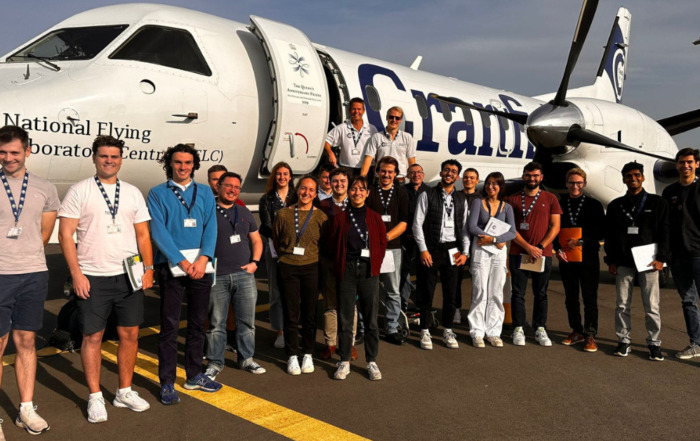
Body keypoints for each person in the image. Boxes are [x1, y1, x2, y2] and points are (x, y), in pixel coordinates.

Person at [58, 135, 154, 422]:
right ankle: (95, 396)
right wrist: (76, 274)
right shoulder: (80, 191)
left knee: (130, 334)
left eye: (114, 156)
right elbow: (65, 235)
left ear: (120, 159)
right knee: (92, 337)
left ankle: (124, 390)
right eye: (103, 156)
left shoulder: (133, 192)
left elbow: (143, 235)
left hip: (128, 276)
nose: (109, 160)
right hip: (93, 277)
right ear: (94, 158)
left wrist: (148, 269)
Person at [147, 144, 221, 405]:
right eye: (178, 162)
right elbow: (158, 232)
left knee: (197, 325)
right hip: (173, 268)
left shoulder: (205, 193)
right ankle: (167, 381)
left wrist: (203, 258)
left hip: (201, 267)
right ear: (170, 164)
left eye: (188, 163)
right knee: (169, 327)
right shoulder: (157, 193)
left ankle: (194, 375)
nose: (183, 167)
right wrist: (180, 260)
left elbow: (211, 226)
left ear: (194, 164)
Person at [0, 125, 58, 436]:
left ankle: (26, 408)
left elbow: (46, 234)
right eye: (3, 152)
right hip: (0, 275)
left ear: (28, 151)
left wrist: (25, 252)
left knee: (26, 342)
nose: (8, 158)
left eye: (14, 152)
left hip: (34, 274)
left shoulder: (45, 188)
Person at [204, 172, 266, 379]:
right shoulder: (208, 210)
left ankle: (246, 359)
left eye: (236, 187)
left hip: (244, 275)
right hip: (218, 275)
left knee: (247, 322)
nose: (232, 190)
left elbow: (256, 240)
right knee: (216, 323)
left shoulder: (244, 211)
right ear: (219, 187)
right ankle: (215, 361)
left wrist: (255, 263)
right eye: (228, 186)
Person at [605, 161, 669, 360]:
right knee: (622, 304)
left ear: (642, 177)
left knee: (652, 306)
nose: (633, 179)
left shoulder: (657, 203)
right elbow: (610, 235)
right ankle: (624, 340)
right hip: (623, 262)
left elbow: (666, 232)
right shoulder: (616, 205)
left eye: (636, 175)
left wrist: (662, 259)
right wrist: (611, 260)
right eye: (628, 176)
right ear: (623, 179)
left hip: (649, 262)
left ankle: (654, 343)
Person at [327, 175, 388, 380]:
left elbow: (381, 242)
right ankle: (344, 360)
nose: (357, 193)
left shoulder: (375, 218)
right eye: (353, 189)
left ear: (368, 193)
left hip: (369, 271)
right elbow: (331, 245)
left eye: (362, 189)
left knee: (370, 318)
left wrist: (375, 266)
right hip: (348, 270)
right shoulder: (340, 218)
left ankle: (371, 361)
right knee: (345, 317)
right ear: (348, 192)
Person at [272, 175, 328, 375]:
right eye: (303, 189)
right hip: (288, 267)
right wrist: (285, 257)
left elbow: (323, 245)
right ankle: (292, 355)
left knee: (310, 313)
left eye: (311, 190)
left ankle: (308, 353)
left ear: (315, 193)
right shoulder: (283, 214)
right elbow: (276, 239)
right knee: (291, 312)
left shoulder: (321, 217)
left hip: (311, 267)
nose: (306, 193)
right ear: (297, 190)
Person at [413, 159, 470, 350]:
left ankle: (447, 329)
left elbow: (465, 228)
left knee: (451, 293)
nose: (449, 173)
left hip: (453, 250)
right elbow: (417, 224)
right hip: (432, 249)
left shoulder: (461, 199)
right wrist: (423, 250)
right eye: (447, 170)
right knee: (426, 292)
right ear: (441, 171)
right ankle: (425, 330)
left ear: (457, 176)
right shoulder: (427, 194)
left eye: (453, 171)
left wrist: (465, 253)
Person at [507, 162, 562, 347]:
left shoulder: (550, 198)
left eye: (536, 175)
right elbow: (510, 227)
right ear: (523, 176)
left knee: (541, 293)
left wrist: (539, 246)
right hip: (518, 252)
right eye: (529, 175)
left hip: (543, 254)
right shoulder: (513, 199)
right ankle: (518, 327)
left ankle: (540, 328)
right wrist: (528, 247)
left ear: (541, 177)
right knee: (518, 293)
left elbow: (555, 226)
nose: (532, 179)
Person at [555, 168, 605, 352]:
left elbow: (601, 232)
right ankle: (576, 330)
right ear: (566, 184)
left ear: (584, 183)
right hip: (567, 257)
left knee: (590, 298)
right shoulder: (560, 204)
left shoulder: (594, 205)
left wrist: (581, 241)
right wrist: (556, 249)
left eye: (578, 182)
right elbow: (554, 229)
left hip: (589, 258)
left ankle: (590, 334)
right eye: (571, 182)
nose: (575, 186)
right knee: (571, 297)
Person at [467, 172, 516, 348]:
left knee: (496, 292)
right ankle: (477, 332)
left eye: (495, 184)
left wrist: (493, 240)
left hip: (498, 252)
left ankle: (494, 332)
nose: (491, 187)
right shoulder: (478, 203)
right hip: (480, 249)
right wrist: (489, 238)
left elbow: (512, 232)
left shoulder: (507, 207)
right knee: (480, 291)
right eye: (488, 183)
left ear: (500, 187)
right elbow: (472, 226)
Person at [365, 156, 409, 344]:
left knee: (392, 290)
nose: (386, 174)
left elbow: (404, 222)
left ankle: (391, 326)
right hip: (370, 248)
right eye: (383, 171)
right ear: (377, 171)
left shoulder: (401, 194)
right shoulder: (369, 192)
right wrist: (375, 239)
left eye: (390, 171)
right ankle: (367, 326)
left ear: (395, 174)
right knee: (369, 288)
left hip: (392, 248)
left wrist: (385, 238)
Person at [662, 148, 700, 359]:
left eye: (689, 162)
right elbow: (666, 225)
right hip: (678, 257)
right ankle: (696, 343)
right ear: (676, 165)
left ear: (697, 164)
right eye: (681, 162)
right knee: (688, 301)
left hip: (699, 254)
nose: (685, 166)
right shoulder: (669, 192)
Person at [317, 167, 358, 361]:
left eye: (342, 181)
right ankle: (330, 343)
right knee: (330, 305)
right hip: (329, 261)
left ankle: (349, 344)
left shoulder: (357, 204)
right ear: (329, 183)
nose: (339, 184)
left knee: (350, 305)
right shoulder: (322, 205)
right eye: (335, 181)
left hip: (350, 262)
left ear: (348, 183)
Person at [258, 162, 296, 349]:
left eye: (285, 174)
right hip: (274, 249)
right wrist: (282, 240)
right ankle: (280, 331)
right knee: (275, 291)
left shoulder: (296, 196)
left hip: (295, 250)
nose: (282, 177)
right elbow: (266, 224)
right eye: (279, 174)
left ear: (290, 177)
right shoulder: (266, 199)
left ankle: (293, 328)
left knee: (295, 291)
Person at [360, 106, 416, 181]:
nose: (394, 120)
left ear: (400, 120)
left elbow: (411, 161)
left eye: (397, 118)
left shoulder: (407, 137)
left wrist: (413, 181)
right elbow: (368, 159)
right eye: (391, 117)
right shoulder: (377, 137)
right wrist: (361, 179)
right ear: (387, 118)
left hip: (399, 180)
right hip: (381, 179)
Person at [324, 97, 378, 175]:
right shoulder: (342, 128)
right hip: (347, 169)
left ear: (363, 111)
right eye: (353, 109)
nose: (356, 112)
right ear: (349, 111)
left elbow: (376, 149)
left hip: (367, 169)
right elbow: (326, 142)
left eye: (359, 109)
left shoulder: (372, 129)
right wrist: (330, 153)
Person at [401, 163, 429, 310]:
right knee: (404, 271)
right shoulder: (402, 191)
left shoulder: (430, 191)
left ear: (423, 175)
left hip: (424, 240)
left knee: (423, 272)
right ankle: (404, 303)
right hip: (406, 238)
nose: (416, 175)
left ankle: (421, 303)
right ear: (407, 175)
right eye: (412, 172)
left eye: (419, 172)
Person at [456, 167, 480, 324]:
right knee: (455, 278)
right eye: (465, 177)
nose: (468, 180)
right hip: (458, 243)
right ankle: (456, 309)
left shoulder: (481, 199)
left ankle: (474, 310)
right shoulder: (456, 197)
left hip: (478, 243)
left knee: (478, 279)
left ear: (477, 181)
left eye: (472, 178)